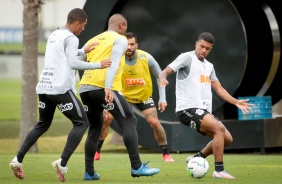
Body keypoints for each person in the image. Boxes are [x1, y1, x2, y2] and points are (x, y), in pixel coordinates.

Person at [9, 8, 111, 182]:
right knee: (81, 123)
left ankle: (17, 159)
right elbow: (72, 63)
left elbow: (64, 55)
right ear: (77, 22)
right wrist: (98, 65)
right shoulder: (71, 38)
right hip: (60, 89)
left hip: (44, 87)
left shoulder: (55, 34)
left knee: (42, 123)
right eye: (83, 26)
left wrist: (83, 50)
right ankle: (62, 162)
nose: (83, 30)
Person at [159, 32, 253, 179]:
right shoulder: (187, 57)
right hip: (187, 109)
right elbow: (164, 72)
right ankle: (219, 170)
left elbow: (219, 89)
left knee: (226, 138)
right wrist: (163, 79)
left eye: (208, 48)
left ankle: (198, 157)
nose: (204, 50)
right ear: (196, 43)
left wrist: (236, 102)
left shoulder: (209, 66)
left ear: (211, 49)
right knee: (219, 129)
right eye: (202, 46)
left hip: (202, 110)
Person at [79, 14, 160, 180]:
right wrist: (107, 86)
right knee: (129, 120)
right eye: (125, 27)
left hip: (85, 87)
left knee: (95, 128)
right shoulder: (120, 39)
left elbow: (76, 60)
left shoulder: (94, 39)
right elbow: (114, 62)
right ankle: (137, 167)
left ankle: (89, 172)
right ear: (122, 26)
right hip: (103, 87)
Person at [94, 32, 174, 162]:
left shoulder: (146, 57)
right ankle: (97, 151)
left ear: (136, 45)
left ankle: (166, 154)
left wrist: (162, 98)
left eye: (132, 44)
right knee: (107, 118)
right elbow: (105, 78)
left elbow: (161, 77)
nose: (129, 47)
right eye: (126, 44)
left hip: (143, 96)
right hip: (122, 95)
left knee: (154, 122)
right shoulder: (116, 58)